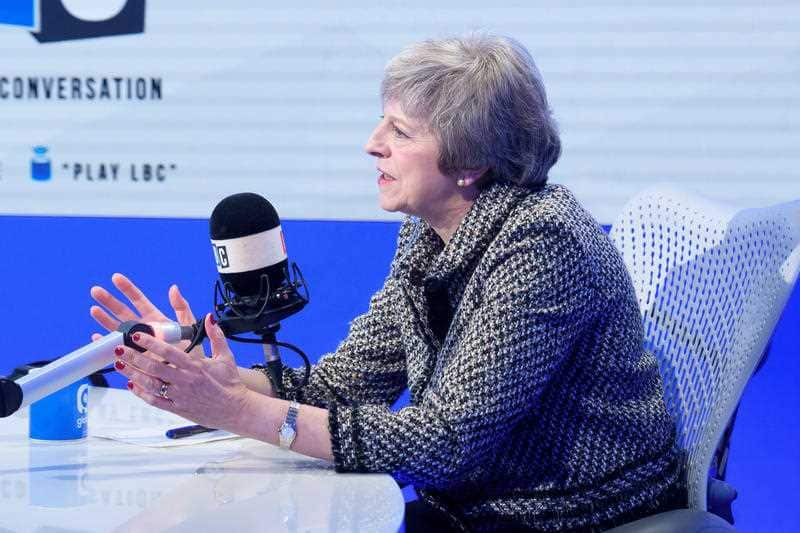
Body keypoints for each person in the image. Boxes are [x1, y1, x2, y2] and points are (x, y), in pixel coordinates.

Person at [90, 34, 685, 532]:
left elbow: (443, 443)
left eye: (400, 132)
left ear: (470, 161)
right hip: (479, 504)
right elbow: (348, 383)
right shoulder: (429, 234)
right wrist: (227, 380)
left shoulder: (544, 246)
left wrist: (239, 410)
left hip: (569, 514)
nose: (372, 144)